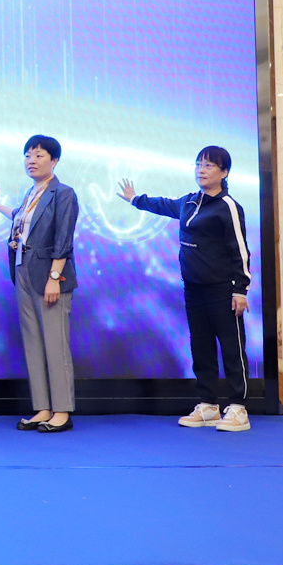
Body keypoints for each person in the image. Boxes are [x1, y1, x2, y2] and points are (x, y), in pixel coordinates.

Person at [119, 145, 253, 433]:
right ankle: (208, 405)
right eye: (198, 164)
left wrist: (240, 290)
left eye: (209, 165)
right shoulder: (189, 202)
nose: (201, 170)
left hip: (223, 289)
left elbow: (240, 250)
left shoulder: (228, 206)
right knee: (201, 347)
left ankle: (238, 407)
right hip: (194, 289)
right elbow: (163, 204)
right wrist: (135, 199)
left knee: (232, 348)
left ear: (224, 172)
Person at [0, 135, 79, 433]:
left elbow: (63, 238)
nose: (31, 160)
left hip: (49, 275)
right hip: (23, 270)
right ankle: (43, 408)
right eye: (27, 155)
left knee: (55, 344)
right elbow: (21, 220)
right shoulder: (30, 194)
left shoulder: (63, 193)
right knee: (33, 343)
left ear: (54, 160)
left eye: (38, 155)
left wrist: (54, 278)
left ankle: (62, 411)